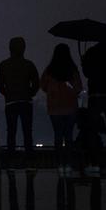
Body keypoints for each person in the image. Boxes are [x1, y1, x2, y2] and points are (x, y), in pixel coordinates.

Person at [0, 36, 40, 167]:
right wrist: (30, 93)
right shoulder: (29, 65)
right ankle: (29, 154)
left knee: (11, 130)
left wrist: (7, 94)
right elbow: (36, 83)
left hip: (11, 102)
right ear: (23, 48)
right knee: (27, 129)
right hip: (25, 101)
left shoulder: (3, 65)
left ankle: (11, 153)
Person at [39, 44, 83, 177]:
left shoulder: (50, 70)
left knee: (58, 135)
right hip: (70, 107)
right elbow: (78, 87)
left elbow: (43, 86)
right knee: (68, 136)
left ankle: (59, 164)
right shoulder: (72, 70)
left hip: (54, 108)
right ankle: (68, 164)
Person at [82, 38, 106, 175]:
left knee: (92, 130)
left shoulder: (91, 52)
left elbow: (86, 73)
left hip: (95, 95)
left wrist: (83, 61)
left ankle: (94, 162)